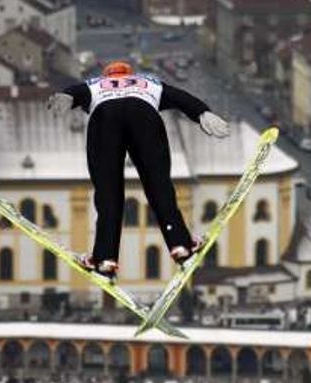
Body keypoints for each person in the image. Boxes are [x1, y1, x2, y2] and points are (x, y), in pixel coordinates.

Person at [47, 60, 229, 280]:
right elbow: (180, 97)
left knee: (108, 193)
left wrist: (68, 96)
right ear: (129, 74)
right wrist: (202, 113)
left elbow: (75, 92)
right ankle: (181, 246)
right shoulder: (148, 82)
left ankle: (105, 259)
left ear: (108, 75)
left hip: (105, 120)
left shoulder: (96, 84)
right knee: (158, 185)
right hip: (144, 116)